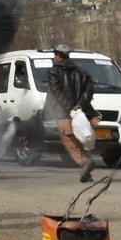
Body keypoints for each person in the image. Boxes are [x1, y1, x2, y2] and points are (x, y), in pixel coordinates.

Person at [46, 46, 96, 184]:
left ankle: (85, 162)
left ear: (60, 56)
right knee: (81, 140)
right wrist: (81, 104)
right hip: (82, 113)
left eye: (55, 55)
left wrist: (69, 109)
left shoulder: (54, 71)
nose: (53, 57)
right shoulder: (81, 70)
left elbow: (56, 91)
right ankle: (87, 173)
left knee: (70, 142)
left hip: (64, 114)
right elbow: (90, 87)